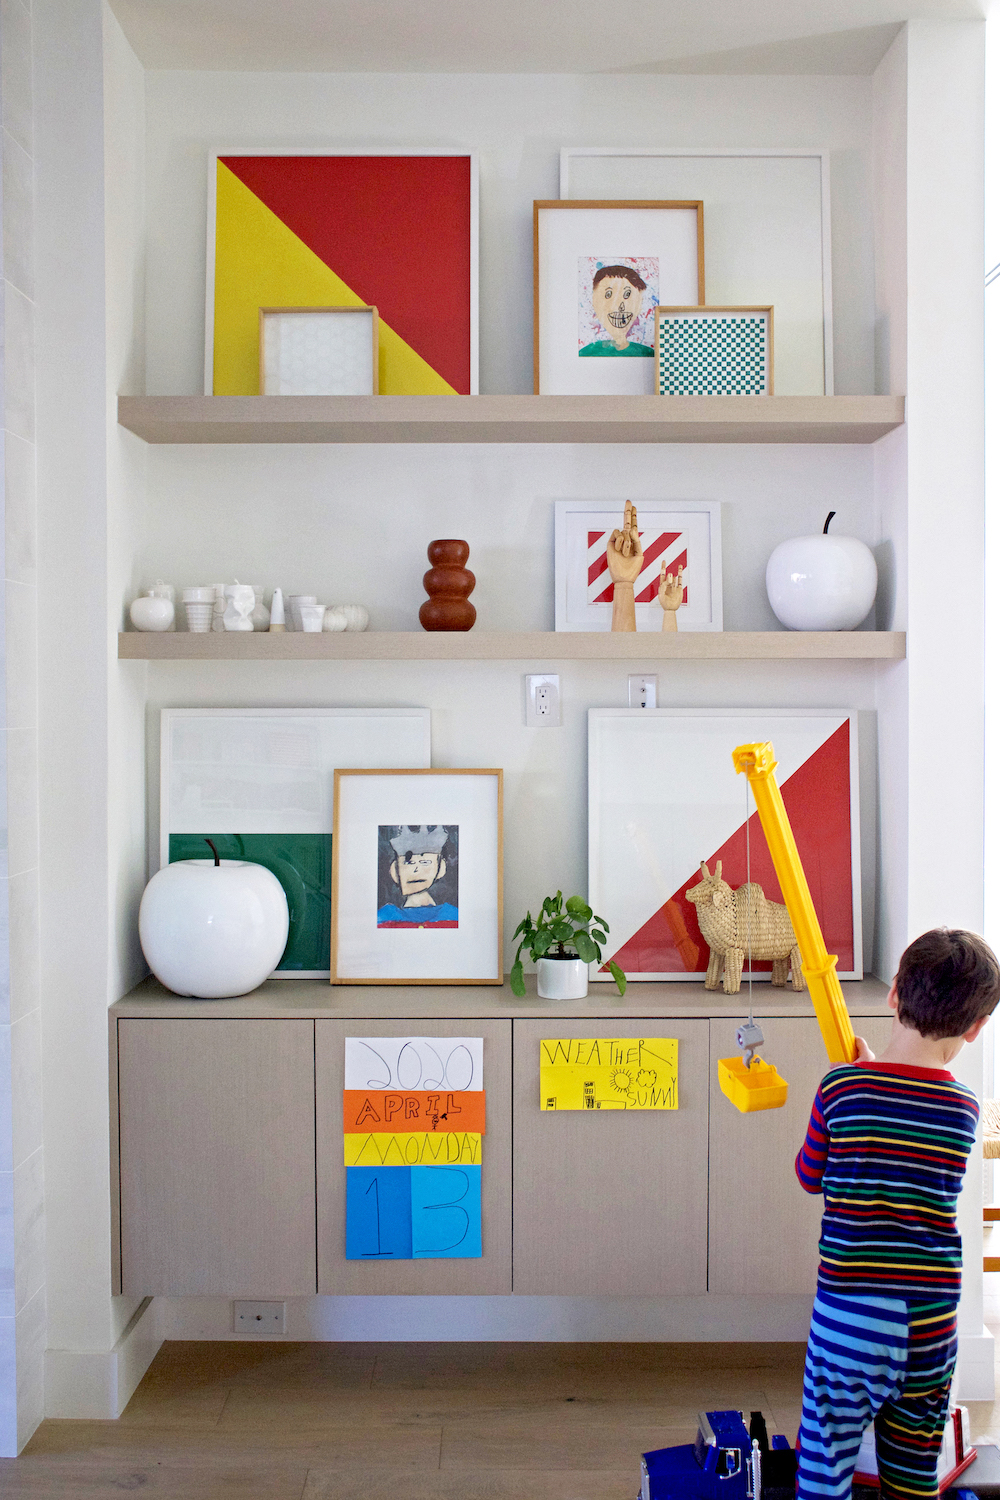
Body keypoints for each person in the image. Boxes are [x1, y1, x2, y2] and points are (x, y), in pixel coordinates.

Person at [794, 928, 1000, 1500]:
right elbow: (906, 1130)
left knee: (825, 1460)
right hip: (929, 1324)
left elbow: (809, 1176)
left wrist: (855, 1078)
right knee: (912, 1474)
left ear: (893, 996)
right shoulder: (963, 1110)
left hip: (848, 1317)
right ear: (975, 1027)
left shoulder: (840, 1088)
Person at [376, 824, 459, 928]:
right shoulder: (383, 917)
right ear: (394, 870)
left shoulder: (454, 916)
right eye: (408, 863)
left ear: (441, 868)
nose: (416, 869)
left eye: (425, 862)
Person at [579, 264, 653, 357]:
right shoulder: (586, 353)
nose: (619, 306)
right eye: (608, 295)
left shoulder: (648, 353)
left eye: (627, 295)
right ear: (594, 301)